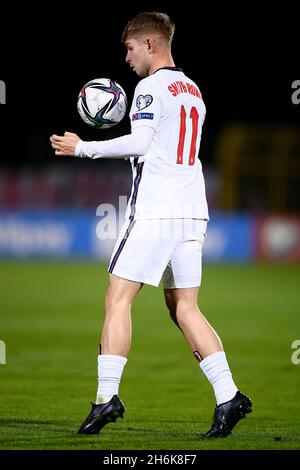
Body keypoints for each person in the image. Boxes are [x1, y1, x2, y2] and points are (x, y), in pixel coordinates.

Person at [50, 11, 252, 438]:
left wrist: (83, 147)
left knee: (118, 298)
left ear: (150, 45)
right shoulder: (193, 90)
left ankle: (107, 399)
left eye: (129, 48)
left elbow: (143, 142)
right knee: (184, 306)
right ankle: (229, 396)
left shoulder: (148, 87)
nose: (126, 57)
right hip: (193, 208)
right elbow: (162, 147)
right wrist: (139, 152)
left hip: (157, 211)